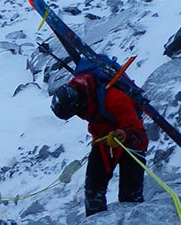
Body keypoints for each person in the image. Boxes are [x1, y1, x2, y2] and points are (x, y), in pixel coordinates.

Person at [51, 70, 149, 216]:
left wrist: (123, 136)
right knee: (93, 192)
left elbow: (140, 136)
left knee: (130, 198)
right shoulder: (82, 97)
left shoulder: (115, 99)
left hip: (131, 144)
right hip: (103, 140)